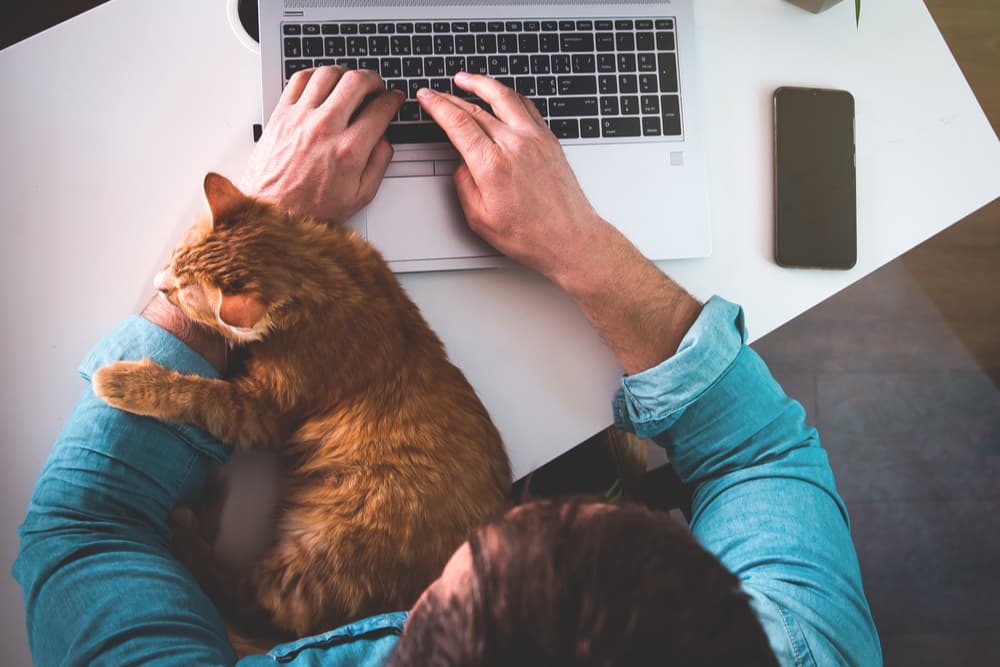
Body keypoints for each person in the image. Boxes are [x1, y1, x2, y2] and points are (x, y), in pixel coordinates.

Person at [13, 67, 882, 666]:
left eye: (482, 548)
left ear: (409, 625)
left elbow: (83, 526)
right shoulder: (794, 646)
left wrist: (262, 224)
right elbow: (759, 453)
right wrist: (582, 247)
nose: (510, 505)